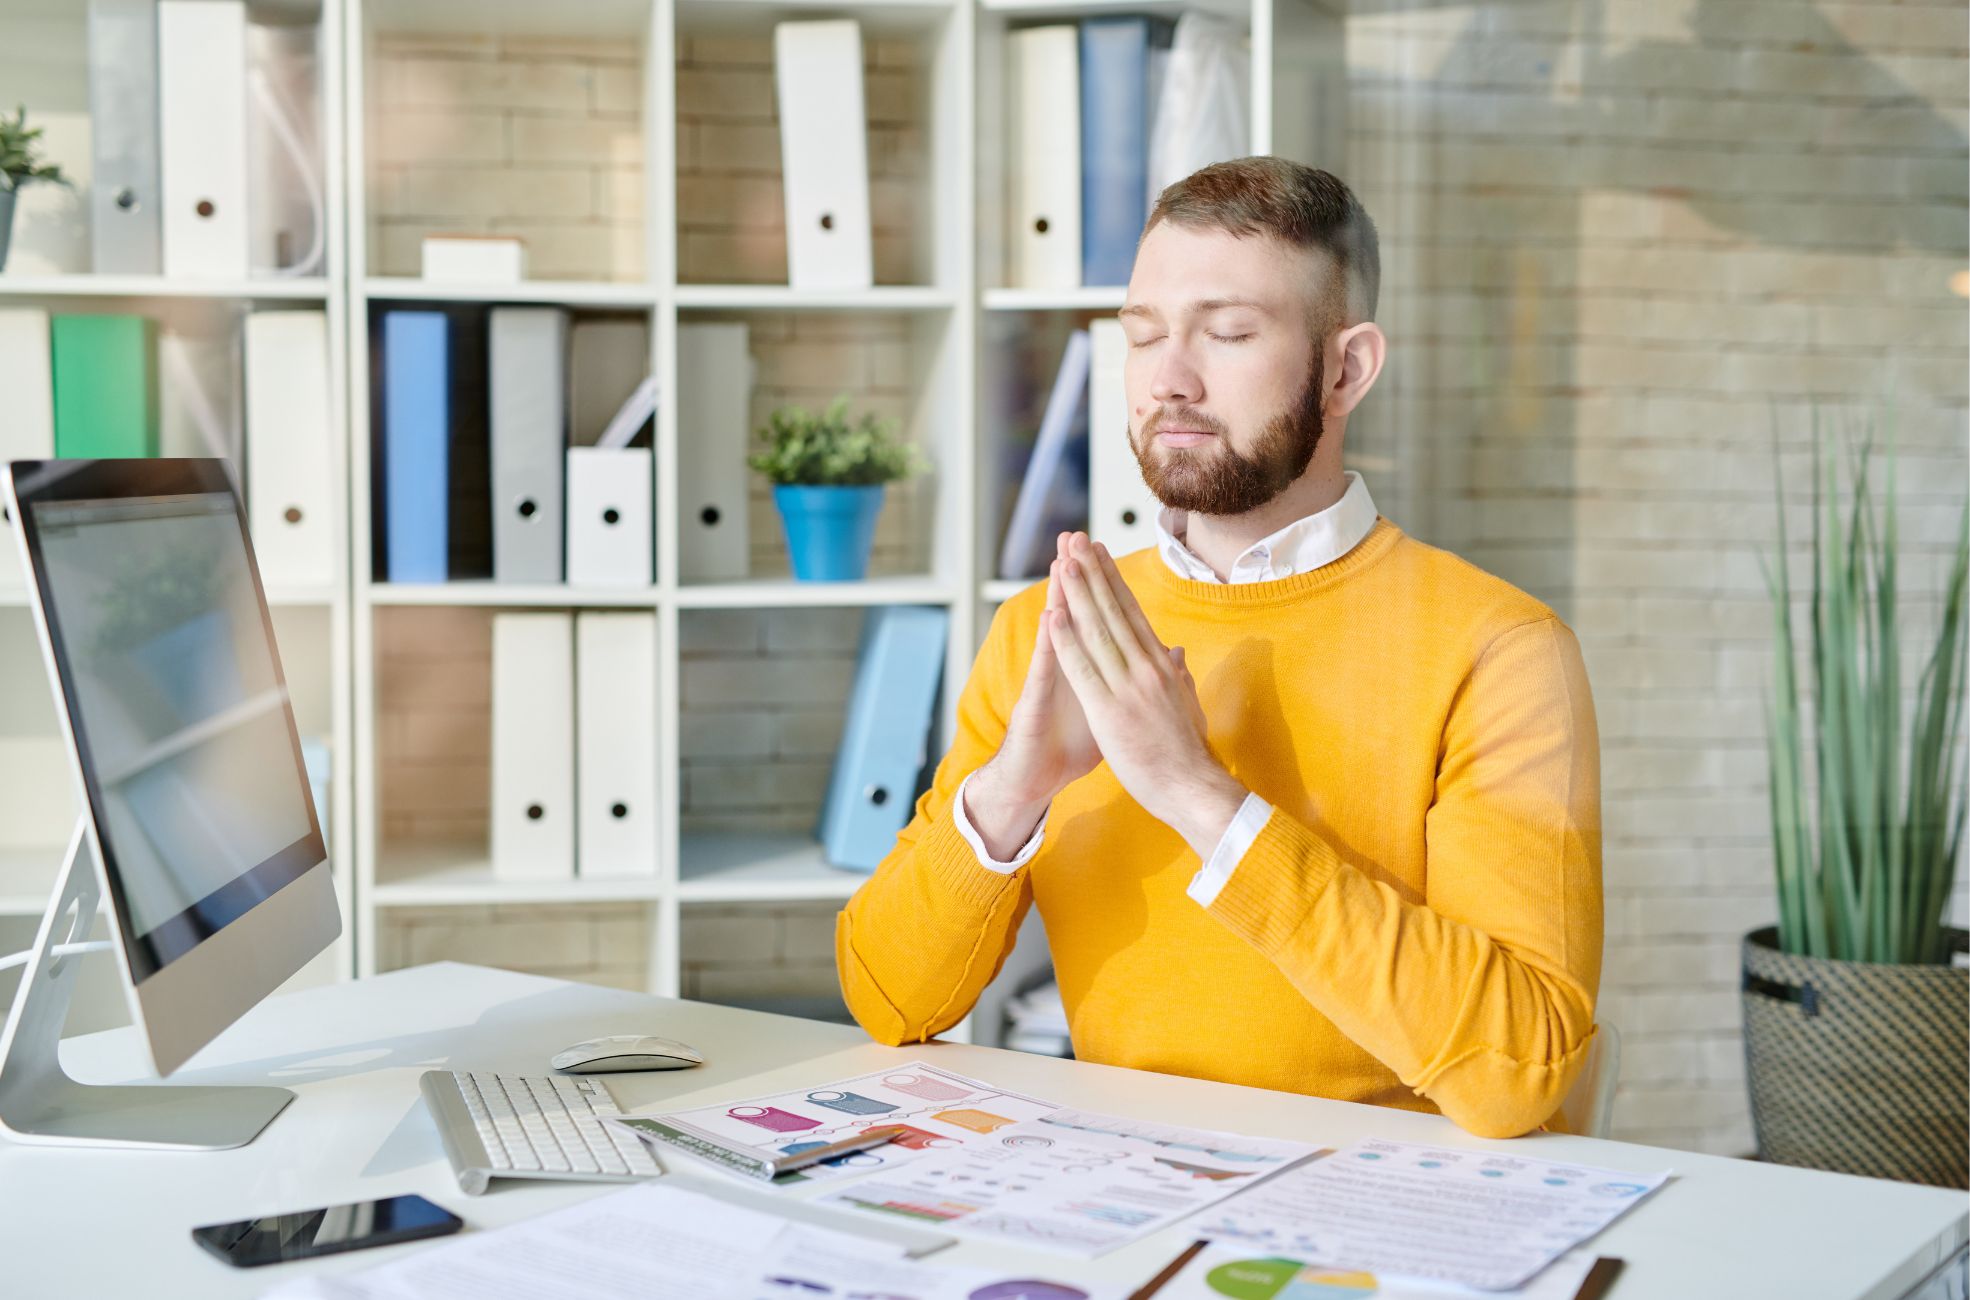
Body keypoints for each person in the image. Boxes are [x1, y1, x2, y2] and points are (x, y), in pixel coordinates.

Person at [835, 158, 1603, 1139]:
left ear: (1345, 369)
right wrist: (1011, 790)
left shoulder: (1498, 649)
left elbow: (1519, 1069)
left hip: (1388, 1215)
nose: (1168, 379)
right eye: (1142, 334)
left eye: (1229, 333)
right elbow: (886, 1000)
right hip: (1124, 1200)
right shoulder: (1054, 629)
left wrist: (1199, 796)